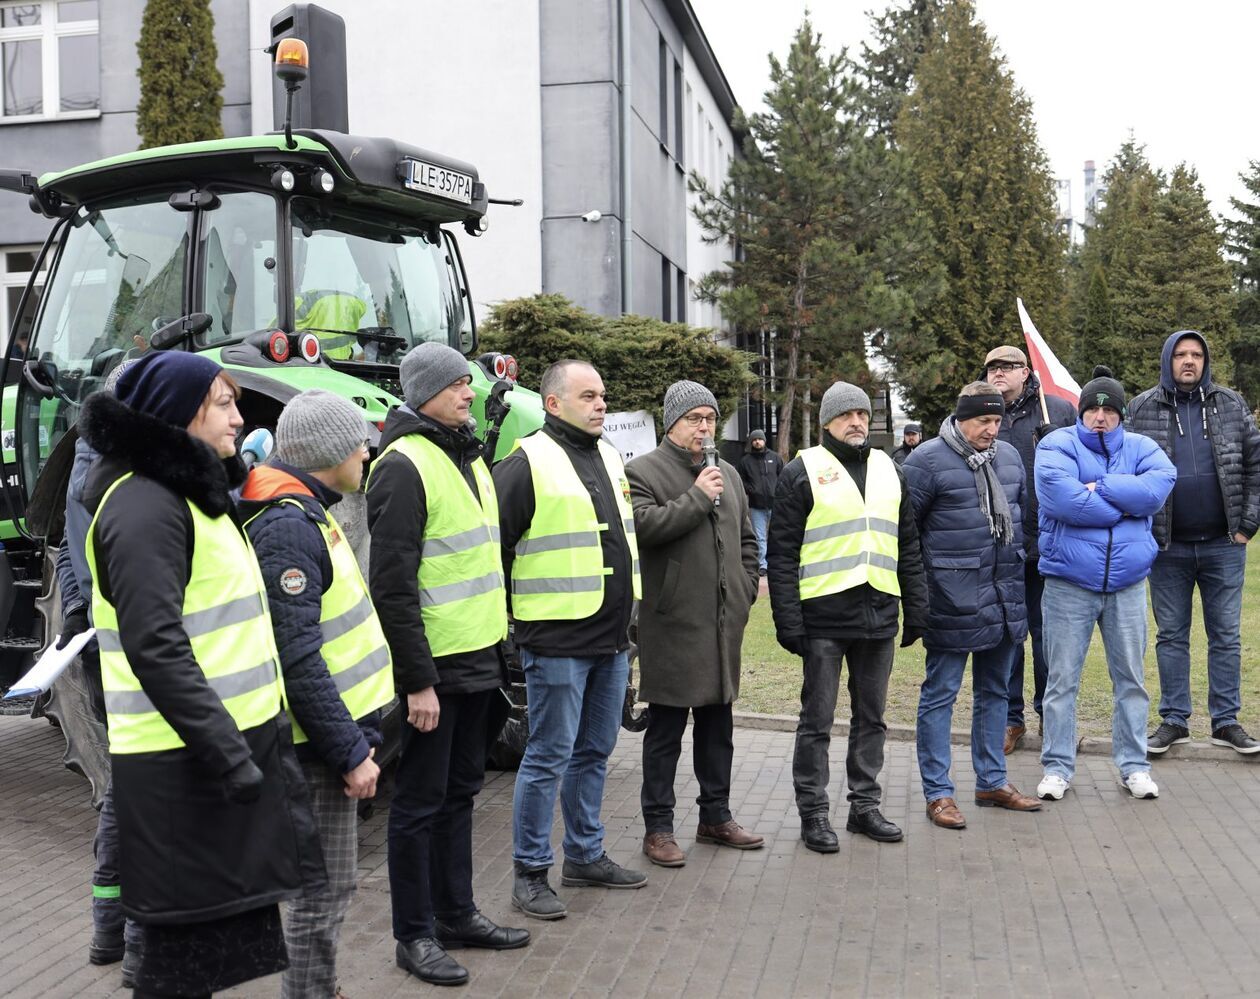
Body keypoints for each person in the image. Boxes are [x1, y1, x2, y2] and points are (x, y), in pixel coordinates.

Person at [78, 350, 324, 999]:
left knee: (206, 963)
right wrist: (229, 754)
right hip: (185, 771)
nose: (240, 419)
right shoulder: (144, 508)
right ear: (177, 411)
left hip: (215, 763)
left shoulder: (187, 497)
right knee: (176, 970)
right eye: (224, 403)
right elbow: (155, 645)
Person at [367, 342, 529, 987]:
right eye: (458, 385)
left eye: (471, 383)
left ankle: (456, 913)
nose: (471, 393)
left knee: (460, 793)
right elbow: (394, 588)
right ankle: (414, 935)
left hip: (480, 662)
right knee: (418, 804)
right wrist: (417, 682)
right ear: (425, 393)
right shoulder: (403, 465)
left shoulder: (466, 458)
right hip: (437, 670)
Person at [239, 390, 395, 999]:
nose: (367, 450)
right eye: (359, 440)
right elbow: (299, 657)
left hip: (330, 736)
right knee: (323, 892)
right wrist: (350, 752)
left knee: (327, 888)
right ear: (330, 451)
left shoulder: (308, 507)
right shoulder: (287, 525)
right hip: (319, 746)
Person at [494, 360, 647, 920]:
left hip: (610, 640)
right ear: (553, 403)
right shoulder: (524, 463)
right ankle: (530, 872)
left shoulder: (608, 455)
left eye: (603, 395)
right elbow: (495, 550)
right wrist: (512, 630)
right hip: (556, 641)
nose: (601, 404)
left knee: (594, 751)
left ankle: (584, 855)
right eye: (588, 396)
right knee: (548, 754)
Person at [769, 381, 929, 851]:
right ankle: (814, 813)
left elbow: (908, 545)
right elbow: (780, 553)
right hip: (823, 617)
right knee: (816, 721)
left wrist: (916, 607)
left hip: (879, 612)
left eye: (862, 413)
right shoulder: (803, 470)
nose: (857, 421)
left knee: (872, 718)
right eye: (846, 415)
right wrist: (788, 620)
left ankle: (864, 806)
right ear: (827, 424)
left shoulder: (890, 468)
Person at [627, 380, 764, 867]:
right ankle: (658, 828)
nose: (704, 427)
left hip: (723, 623)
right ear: (672, 423)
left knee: (717, 726)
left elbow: (747, 540)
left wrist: (746, 589)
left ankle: (716, 816)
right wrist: (697, 497)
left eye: (709, 419)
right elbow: (644, 528)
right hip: (672, 623)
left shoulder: (726, 470)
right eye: (694, 419)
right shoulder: (641, 471)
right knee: (665, 731)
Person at [1035, 366, 1176, 802]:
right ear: (1081, 413)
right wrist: (1122, 504)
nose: (1101, 417)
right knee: (1061, 681)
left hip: (1128, 585)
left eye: (1110, 410)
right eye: (1094, 410)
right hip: (1068, 584)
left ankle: (1134, 766)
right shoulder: (1055, 444)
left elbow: (1156, 489)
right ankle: (1057, 767)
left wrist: (1102, 487)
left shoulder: (1143, 447)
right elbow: (1062, 498)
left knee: (1131, 679)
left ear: (1120, 414)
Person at [904, 382, 1040, 831]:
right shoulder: (926, 460)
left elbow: (1022, 521)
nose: (992, 429)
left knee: (996, 692)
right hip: (950, 599)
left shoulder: (1010, 457)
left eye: (997, 420)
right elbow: (907, 535)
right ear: (961, 418)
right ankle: (938, 793)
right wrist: (920, 597)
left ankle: (992, 781)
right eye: (983, 420)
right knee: (940, 694)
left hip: (1003, 597)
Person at [1128, 331, 1260, 755]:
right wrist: (1148, 531)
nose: (1189, 361)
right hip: (1168, 548)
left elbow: (1256, 467)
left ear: (1206, 360)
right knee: (1171, 636)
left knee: (1225, 636)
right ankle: (1174, 719)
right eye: (1181, 354)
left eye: (1196, 354)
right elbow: (1125, 470)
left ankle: (1225, 721)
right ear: (1168, 359)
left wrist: (1246, 527)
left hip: (1225, 544)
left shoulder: (1232, 404)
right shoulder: (1142, 408)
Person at [982, 344, 1076, 753]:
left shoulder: (1055, 411)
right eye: (991, 368)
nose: (998, 373)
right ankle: (1011, 718)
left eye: (1007, 367)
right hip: (1000, 545)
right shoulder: (979, 414)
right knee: (1007, 637)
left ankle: (1051, 718)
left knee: (1048, 637)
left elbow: (1085, 464)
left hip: (1050, 542)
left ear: (1026, 371)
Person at [738, 428, 783, 575]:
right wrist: (751, 489)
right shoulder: (745, 461)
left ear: (764, 440)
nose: (757, 441)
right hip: (756, 505)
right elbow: (741, 480)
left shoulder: (775, 458)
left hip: (776, 503)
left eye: (760, 439)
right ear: (752, 442)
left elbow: (783, 476)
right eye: (754, 439)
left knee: (777, 533)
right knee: (760, 537)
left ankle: (777, 562)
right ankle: (763, 564)